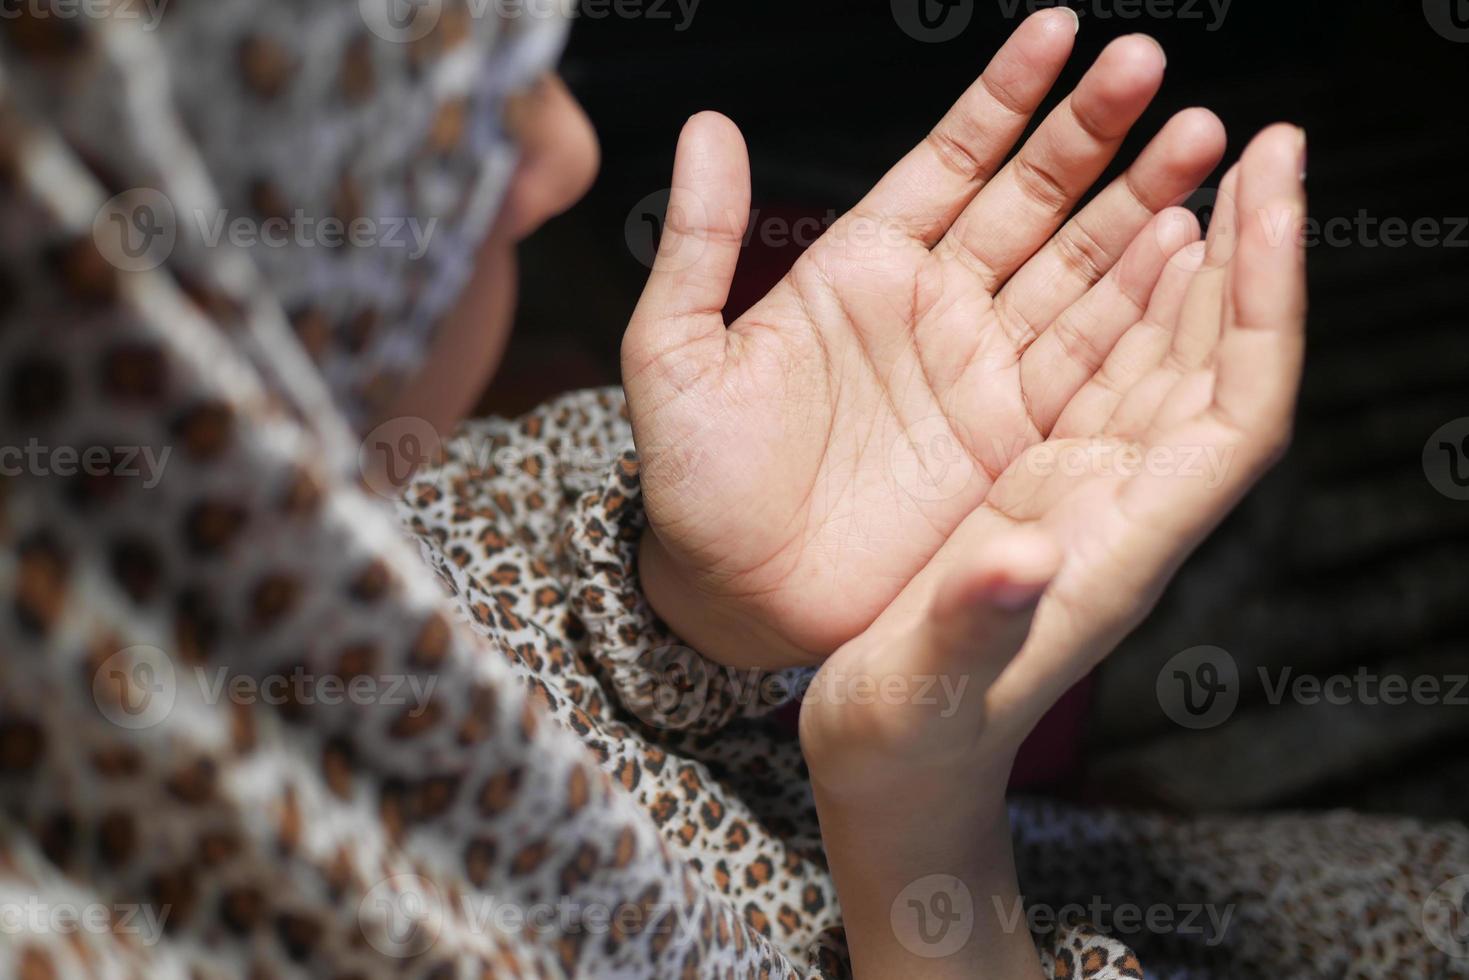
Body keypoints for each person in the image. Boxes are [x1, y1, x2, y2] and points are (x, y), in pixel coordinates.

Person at [0, 2, 1464, 977]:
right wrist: (920, 842)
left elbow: (460, 549)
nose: (566, 158)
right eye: (462, 119)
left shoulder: (149, 520)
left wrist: (680, 596)